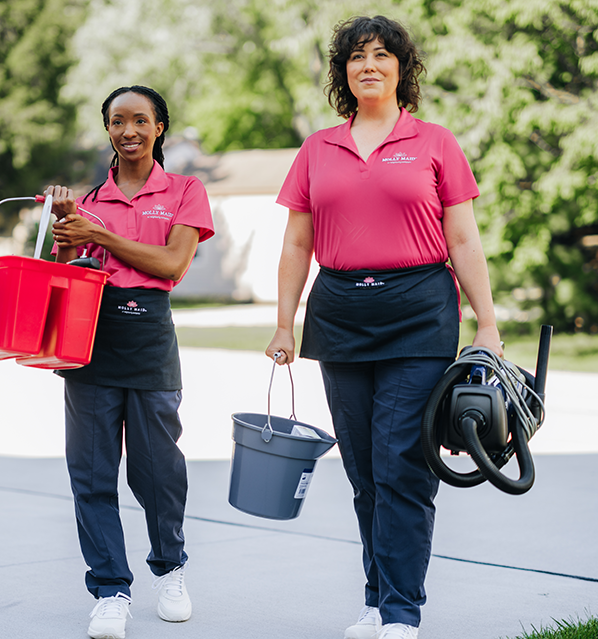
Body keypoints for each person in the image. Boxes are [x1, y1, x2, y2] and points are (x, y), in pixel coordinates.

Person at [266, 15, 503, 639]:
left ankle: (402, 612)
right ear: (343, 72)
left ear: (403, 68)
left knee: (403, 464)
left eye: (382, 55)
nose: (368, 65)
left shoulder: (435, 142)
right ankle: (375, 599)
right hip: (340, 311)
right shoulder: (318, 148)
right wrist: (284, 324)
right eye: (356, 57)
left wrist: (487, 324)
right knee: (364, 469)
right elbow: (296, 244)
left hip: (419, 309)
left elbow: (463, 239)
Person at [44, 85, 214, 639]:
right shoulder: (90, 201)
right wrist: (66, 227)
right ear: (108, 130)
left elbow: (169, 264)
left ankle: (170, 569)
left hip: (148, 335)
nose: (129, 131)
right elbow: (67, 272)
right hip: (90, 340)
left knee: (157, 468)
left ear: (159, 127)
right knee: (91, 472)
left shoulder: (185, 191)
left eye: (141, 120)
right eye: (118, 121)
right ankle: (110, 589)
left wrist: (100, 234)